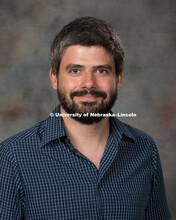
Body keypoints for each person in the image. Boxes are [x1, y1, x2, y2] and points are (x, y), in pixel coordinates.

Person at [0, 17, 171, 220]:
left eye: (101, 70)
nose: (88, 84)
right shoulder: (12, 157)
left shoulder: (144, 150)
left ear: (118, 79)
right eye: (75, 70)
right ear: (54, 78)